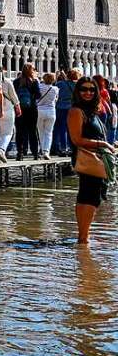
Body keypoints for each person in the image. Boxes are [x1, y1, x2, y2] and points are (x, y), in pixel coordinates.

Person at [68, 76, 113, 245]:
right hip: (87, 157)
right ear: (78, 92)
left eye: (92, 90)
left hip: (95, 157)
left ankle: (83, 236)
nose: (88, 92)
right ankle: (83, 238)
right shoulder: (76, 111)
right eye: (84, 89)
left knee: (89, 194)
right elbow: (76, 139)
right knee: (90, 196)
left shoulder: (91, 111)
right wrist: (103, 143)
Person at [13, 64, 42, 160]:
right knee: (32, 131)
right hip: (32, 109)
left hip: (20, 109)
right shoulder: (34, 82)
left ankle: (20, 153)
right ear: (31, 71)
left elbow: (14, 96)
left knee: (19, 131)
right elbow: (38, 95)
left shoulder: (16, 82)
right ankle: (35, 154)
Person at [0, 76, 21, 162]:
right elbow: (13, 95)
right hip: (8, 108)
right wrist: (18, 107)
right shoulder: (7, 81)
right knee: (8, 133)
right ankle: (2, 150)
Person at [53, 69, 76, 155]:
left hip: (58, 107)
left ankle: (56, 147)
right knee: (65, 128)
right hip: (69, 107)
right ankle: (65, 147)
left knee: (56, 128)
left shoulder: (60, 84)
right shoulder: (74, 85)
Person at [36, 73, 59, 161]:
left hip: (40, 111)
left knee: (41, 132)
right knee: (49, 132)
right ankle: (46, 151)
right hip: (51, 111)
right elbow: (56, 100)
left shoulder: (40, 87)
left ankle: (42, 150)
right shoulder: (55, 89)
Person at [93, 75, 115, 145]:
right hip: (103, 112)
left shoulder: (92, 90)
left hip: (94, 112)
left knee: (95, 130)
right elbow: (107, 102)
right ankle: (104, 143)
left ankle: (97, 144)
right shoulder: (104, 91)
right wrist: (110, 111)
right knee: (103, 129)